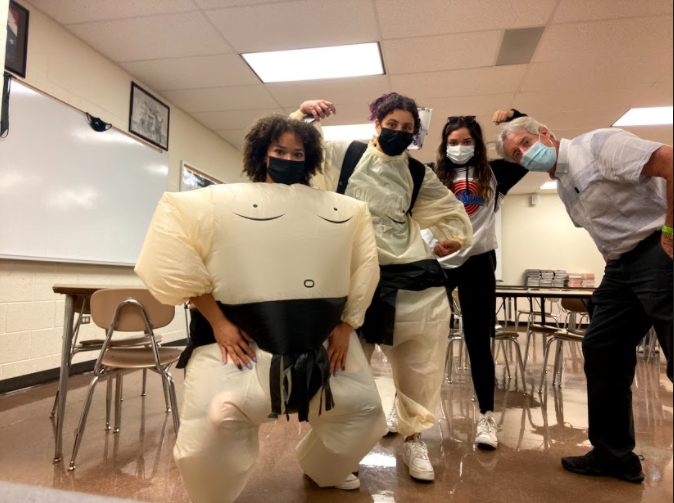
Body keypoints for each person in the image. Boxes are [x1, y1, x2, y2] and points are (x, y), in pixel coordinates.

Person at [135, 114, 387, 503]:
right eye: (279, 150)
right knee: (218, 416)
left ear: (311, 159)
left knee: (365, 410)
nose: (288, 158)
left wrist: (348, 324)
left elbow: (363, 266)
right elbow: (176, 246)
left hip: (320, 335)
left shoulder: (344, 212)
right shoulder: (219, 205)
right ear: (261, 154)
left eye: (297, 152)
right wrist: (218, 322)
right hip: (241, 336)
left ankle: (326, 468)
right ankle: (212, 494)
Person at [291, 94, 474, 482]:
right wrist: (304, 116)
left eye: (408, 129)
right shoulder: (347, 155)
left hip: (407, 276)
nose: (399, 133)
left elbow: (449, 212)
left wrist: (452, 239)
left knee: (420, 366)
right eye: (392, 125)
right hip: (350, 276)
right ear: (376, 123)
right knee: (342, 374)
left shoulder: (417, 174)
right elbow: (298, 153)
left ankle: (414, 438)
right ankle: (339, 450)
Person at [496, 116, 673, 484]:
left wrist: (671, 229)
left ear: (546, 132)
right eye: (516, 154)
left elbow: (670, 162)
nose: (524, 154)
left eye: (526, 143)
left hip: (660, 247)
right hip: (622, 266)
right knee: (602, 348)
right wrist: (612, 260)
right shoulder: (563, 185)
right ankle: (614, 456)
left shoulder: (598, 145)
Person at [422, 110, 529, 451]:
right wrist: (430, 244)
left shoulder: (496, 174)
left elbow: (533, 149)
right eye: (453, 142)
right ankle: (410, 410)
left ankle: (485, 416)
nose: (459, 147)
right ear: (444, 145)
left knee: (478, 342)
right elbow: (417, 215)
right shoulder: (431, 175)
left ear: (478, 144)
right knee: (422, 339)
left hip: (478, 262)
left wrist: (518, 118)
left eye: (466, 142)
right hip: (438, 262)